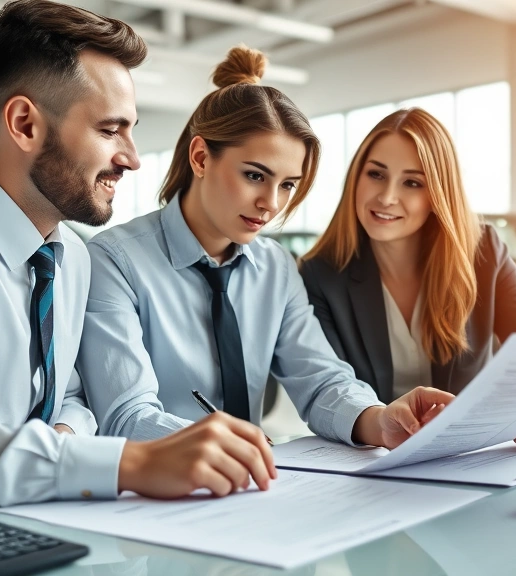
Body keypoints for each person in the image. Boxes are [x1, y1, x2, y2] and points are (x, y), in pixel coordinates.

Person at [0, 0, 275, 507]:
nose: (133, 158)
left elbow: (66, 399)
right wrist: (133, 462)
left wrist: (64, 444)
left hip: (20, 528)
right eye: (110, 129)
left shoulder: (67, 257)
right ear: (25, 124)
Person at [77, 46, 453, 472]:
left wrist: (380, 420)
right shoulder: (114, 262)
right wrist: (219, 445)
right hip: (155, 488)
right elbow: (125, 416)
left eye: (288, 185)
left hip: (249, 487)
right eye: (254, 175)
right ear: (200, 158)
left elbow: (321, 382)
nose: (270, 204)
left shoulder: (275, 267)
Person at [299, 108, 516, 448]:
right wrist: (376, 424)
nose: (387, 197)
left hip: (468, 455)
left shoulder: (483, 251)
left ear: (437, 194)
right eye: (376, 174)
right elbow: (328, 391)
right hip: (374, 459)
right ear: (355, 178)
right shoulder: (320, 273)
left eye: (412, 182)